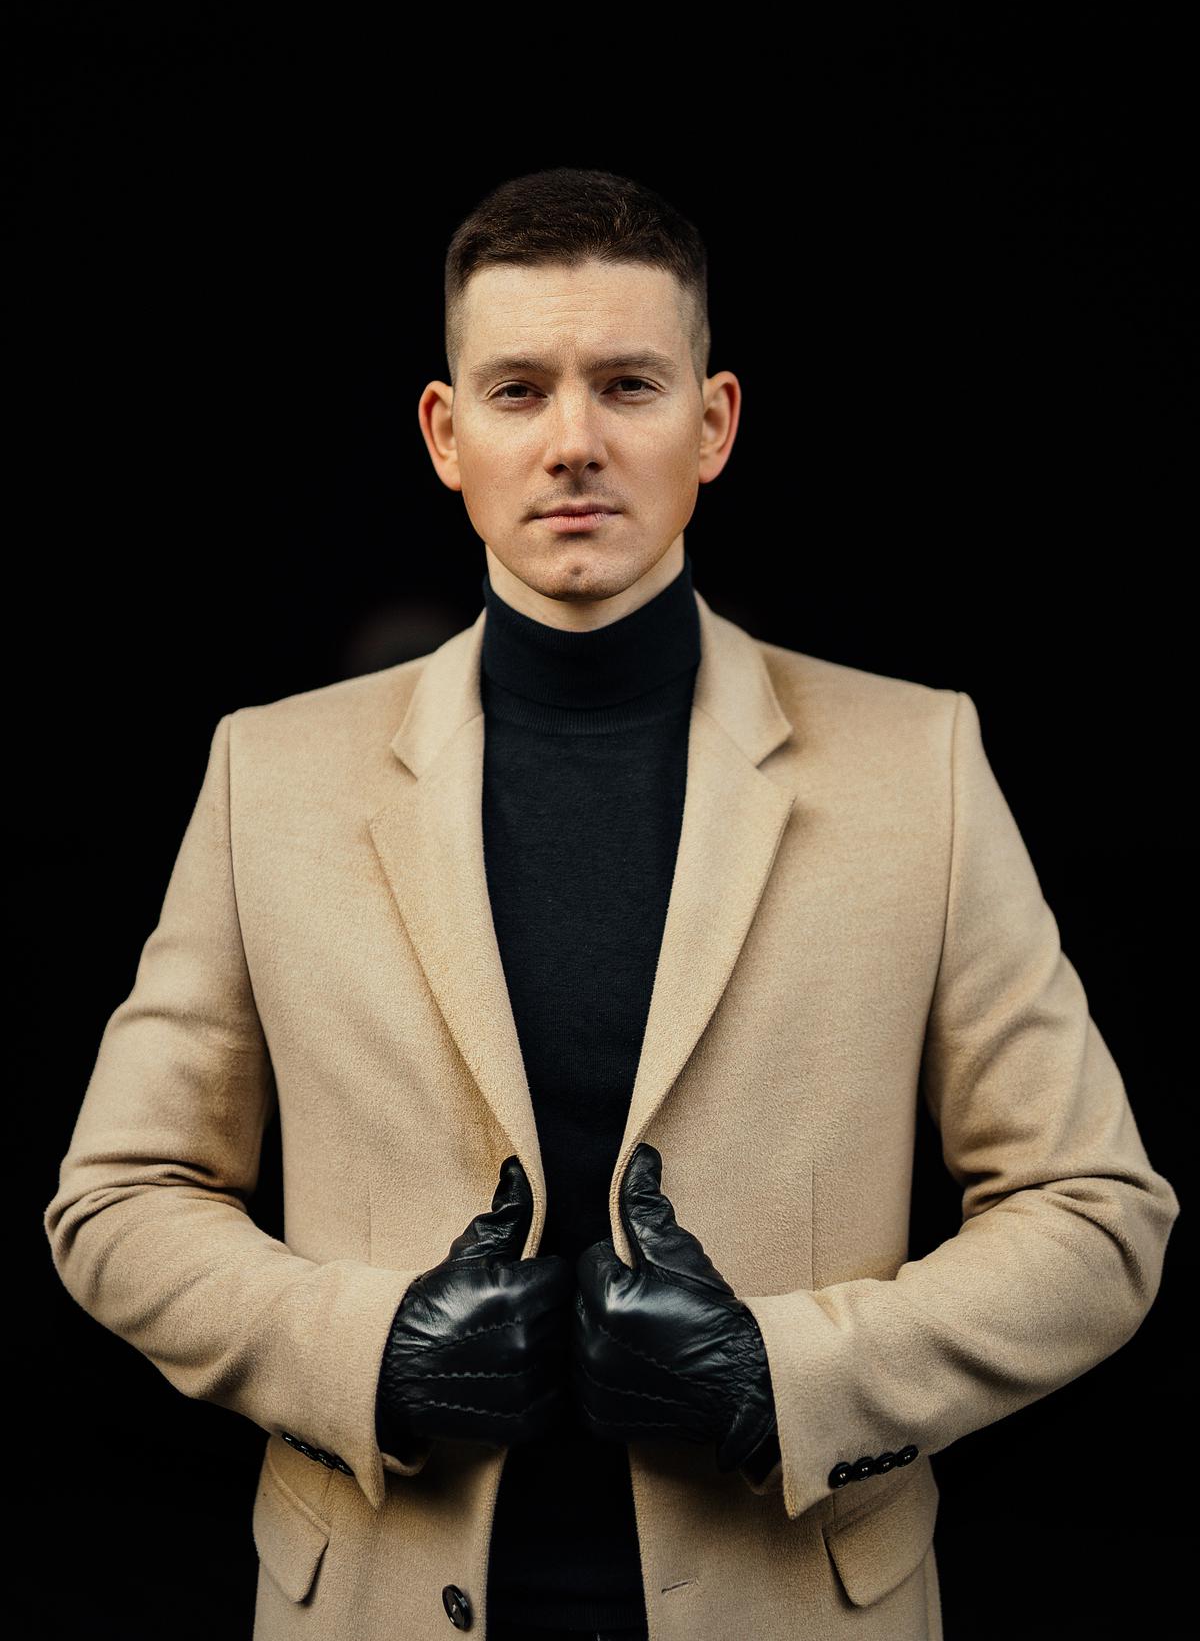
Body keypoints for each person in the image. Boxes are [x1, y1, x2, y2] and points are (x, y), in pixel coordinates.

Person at [44, 166, 1180, 1641]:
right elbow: (118, 1199)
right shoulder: (273, 775)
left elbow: (1098, 1220)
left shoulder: (924, 767)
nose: (575, 442)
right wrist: (369, 1351)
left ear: (712, 425)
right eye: (519, 390)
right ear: (448, 437)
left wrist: (789, 1376)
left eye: (627, 384)